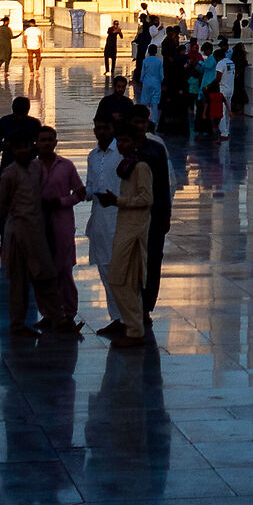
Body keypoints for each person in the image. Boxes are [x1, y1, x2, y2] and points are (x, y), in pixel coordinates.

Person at [0, 141, 70, 336]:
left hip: (36, 233)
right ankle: (18, 325)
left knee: (47, 277)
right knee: (19, 283)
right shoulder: (10, 174)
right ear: (13, 150)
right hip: (18, 233)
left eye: (26, 146)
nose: (23, 150)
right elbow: (0, 207)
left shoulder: (36, 169)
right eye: (19, 147)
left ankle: (59, 320)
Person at [35, 128, 88, 333]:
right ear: (37, 143)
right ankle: (48, 314)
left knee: (64, 271)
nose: (47, 144)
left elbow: (80, 192)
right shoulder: (32, 168)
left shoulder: (66, 166)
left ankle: (68, 312)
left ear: (56, 142)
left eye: (50, 140)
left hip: (62, 225)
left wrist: (62, 201)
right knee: (41, 272)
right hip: (39, 226)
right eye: (43, 140)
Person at [106, 136, 153, 346]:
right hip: (125, 226)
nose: (122, 145)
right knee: (127, 280)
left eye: (127, 140)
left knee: (118, 278)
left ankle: (134, 329)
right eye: (120, 141)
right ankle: (134, 328)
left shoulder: (141, 167)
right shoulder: (127, 165)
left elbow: (146, 198)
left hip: (134, 229)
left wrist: (118, 201)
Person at [131, 109, 177, 317]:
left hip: (155, 215)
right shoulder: (123, 147)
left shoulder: (157, 149)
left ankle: (146, 306)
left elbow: (167, 184)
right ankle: (132, 305)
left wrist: (166, 213)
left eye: (142, 122)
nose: (139, 127)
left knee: (153, 260)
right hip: (131, 217)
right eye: (135, 122)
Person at [84, 117, 125, 331]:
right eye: (97, 128)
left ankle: (128, 318)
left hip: (119, 217)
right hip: (99, 219)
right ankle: (117, 318)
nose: (100, 131)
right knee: (105, 270)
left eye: (104, 127)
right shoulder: (93, 156)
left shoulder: (121, 154)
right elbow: (90, 188)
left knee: (119, 271)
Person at [0, 96, 42, 165]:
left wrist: (6, 146)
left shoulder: (5, 121)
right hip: (20, 162)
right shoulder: (34, 123)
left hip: (12, 162)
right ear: (28, 109)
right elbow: (40, 144)